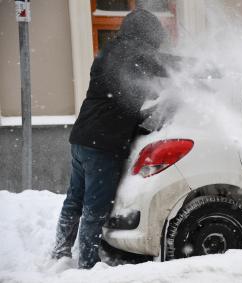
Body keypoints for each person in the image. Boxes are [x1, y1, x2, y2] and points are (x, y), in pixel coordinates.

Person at [51, 8, 167, 269]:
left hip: (83, 138)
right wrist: (205, 68)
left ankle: (60, 252)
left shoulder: (112, 51)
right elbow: (166, 65)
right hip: (102, 144)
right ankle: (89, 266)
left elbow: (119, 101)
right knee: (94, 208)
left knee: (75, 200)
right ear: (145, 35)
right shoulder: (133, 53)